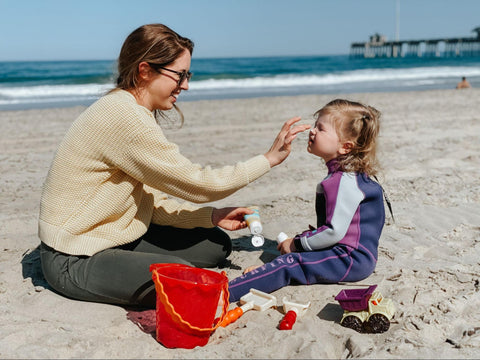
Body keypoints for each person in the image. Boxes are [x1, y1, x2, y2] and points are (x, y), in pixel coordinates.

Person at [38, 23, 310, 308]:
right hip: (73, 257)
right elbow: (201, 184)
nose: (186, 85)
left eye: (188, 74)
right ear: (145, 70)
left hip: (117, 233)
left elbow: (148, 201)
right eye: (179, 75)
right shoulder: (124, 117)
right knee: (183, 277)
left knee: (215, 245)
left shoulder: (129, 108)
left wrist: (210, 216)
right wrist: (268, 159)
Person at [228, 99, 386, 302]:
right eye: (315, 125)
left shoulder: (344, 181)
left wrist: (294, 245)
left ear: (345, 147)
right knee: (299, 249)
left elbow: (332, 231)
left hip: (351, 260)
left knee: (290, 264)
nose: (312, 131)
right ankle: (266, 271)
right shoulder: (350, 176)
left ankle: (229, 291)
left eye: (321, 128)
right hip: (353, 255)